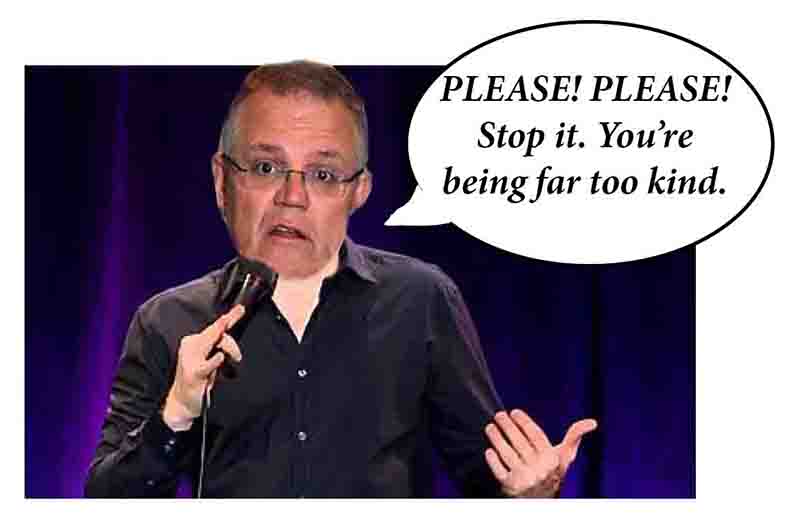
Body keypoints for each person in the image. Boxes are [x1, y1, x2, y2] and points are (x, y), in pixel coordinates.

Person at [84, 61, 596, 498]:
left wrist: (527, 493)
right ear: (223, 180)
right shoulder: (169, 320)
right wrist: (176, 412)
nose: (292, 197)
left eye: (324, 175)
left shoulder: (420, 299)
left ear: (359, 191)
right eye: (265, 167)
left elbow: (484, 479)